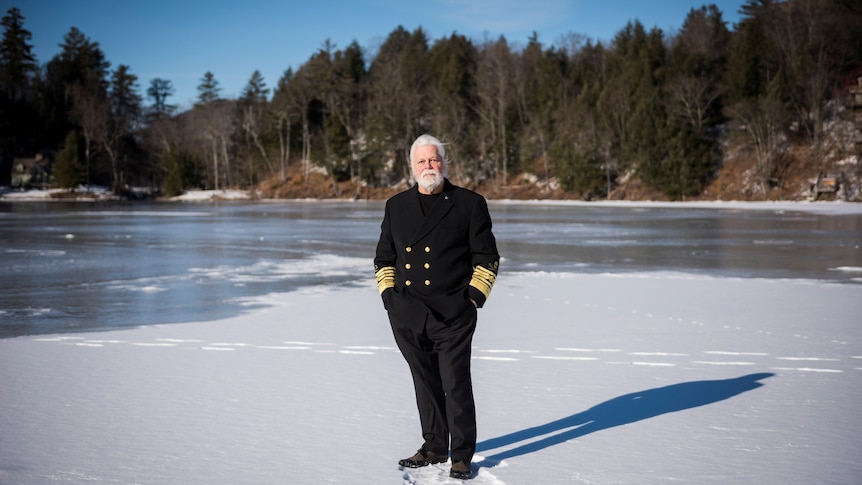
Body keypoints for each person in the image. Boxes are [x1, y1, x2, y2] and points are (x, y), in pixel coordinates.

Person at [374, 134, 500, 480]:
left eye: (434, 160)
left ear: (445, 163)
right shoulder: (395, 206)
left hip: (452, 313)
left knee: (455, 382)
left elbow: (487, 258)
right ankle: (433, 446)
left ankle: (461, 454)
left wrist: (472, 298)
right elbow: (384, 257)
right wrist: (389, 298)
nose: (429, 166)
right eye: (422, 161)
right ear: (412, 167)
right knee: (424, 380)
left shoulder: (469, 203)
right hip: (407, 313)